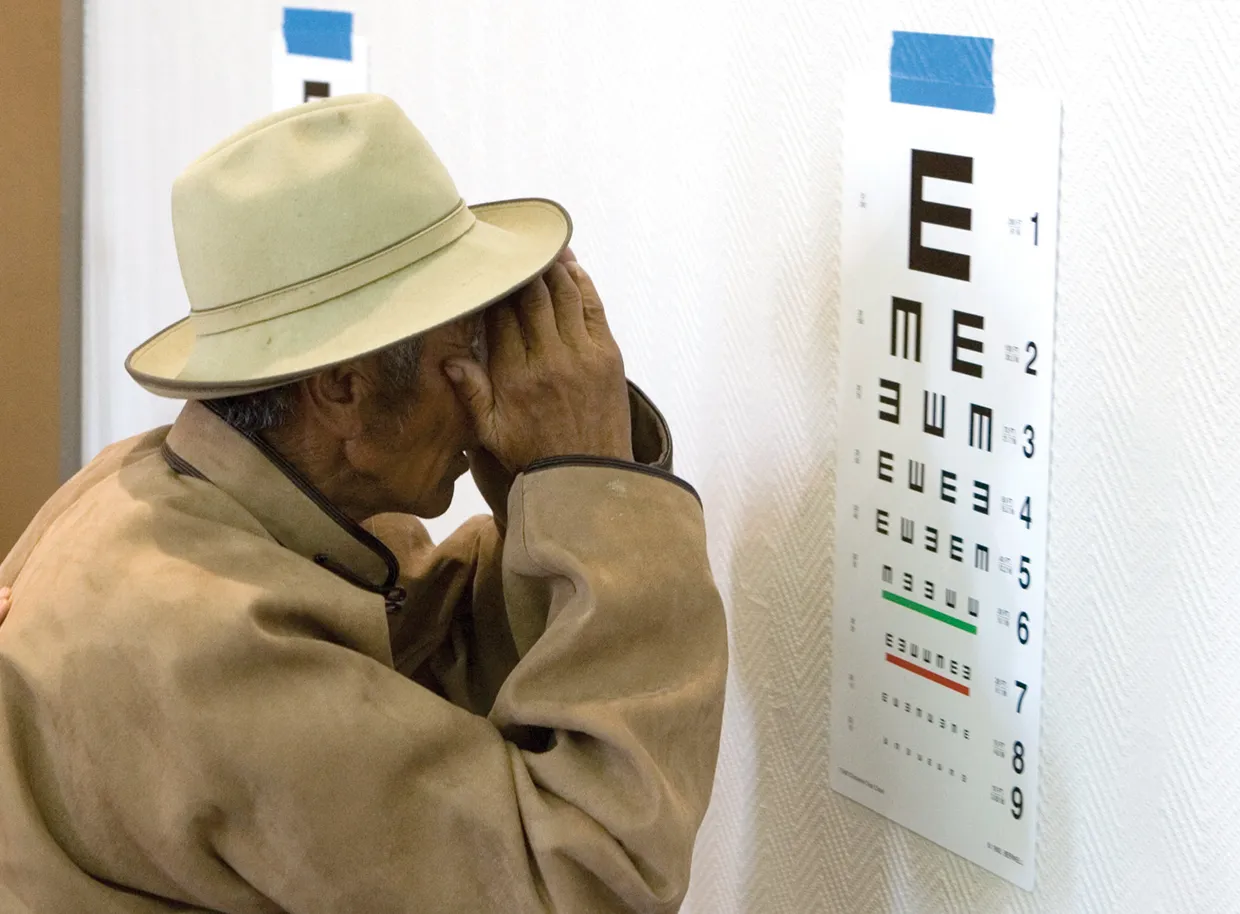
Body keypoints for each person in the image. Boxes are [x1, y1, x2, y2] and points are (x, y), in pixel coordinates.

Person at [0, 94, 727, 913]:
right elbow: (580, 884)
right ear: (343, 390)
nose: (486, 392)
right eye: (467, 348)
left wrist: (552, 490)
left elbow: (413, 672)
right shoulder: (203, 640)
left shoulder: (155, 490)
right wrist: (602, 501)